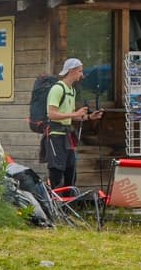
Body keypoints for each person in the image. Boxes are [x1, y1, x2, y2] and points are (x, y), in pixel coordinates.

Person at [44, 57, 103, 191]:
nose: (82, 75)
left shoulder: (72, 90)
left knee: (71, 172)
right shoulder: (57, 89)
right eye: (80, 71)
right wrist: (75, 114)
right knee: (56, 173)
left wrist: (88, 117)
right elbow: (51, 114)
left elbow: (70, 116)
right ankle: (51, 204)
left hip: (67, 137)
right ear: (71, 71)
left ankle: (67, 205)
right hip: (55, 136)